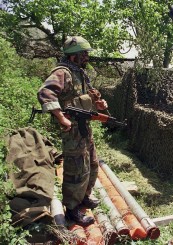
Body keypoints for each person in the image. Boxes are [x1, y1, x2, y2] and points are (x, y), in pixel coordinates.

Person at [37, 36, 108, 226]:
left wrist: (99, 102)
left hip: (85, 127)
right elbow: (45, 92)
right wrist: (61, 117)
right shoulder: (62, 72)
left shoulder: (81, 73)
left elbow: (91, 95)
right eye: (83, 53)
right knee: (76, 169)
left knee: (92, 164)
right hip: (72, 129)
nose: (86, 56)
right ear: (73, 56)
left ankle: (84, 197)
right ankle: (72, 209)